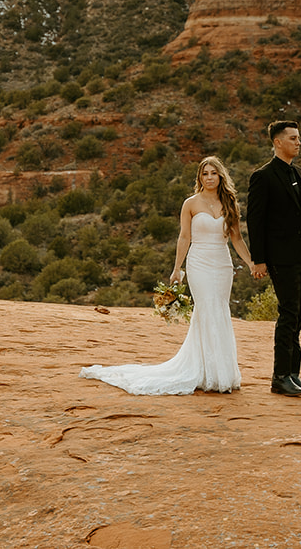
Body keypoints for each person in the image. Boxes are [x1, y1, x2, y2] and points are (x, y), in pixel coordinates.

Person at [80, 156, 257, 394]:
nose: (209, 177)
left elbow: (236, 238)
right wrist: (177, 269)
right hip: (199, 262)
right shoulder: (191, 204)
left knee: (220, 310)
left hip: (222, 264)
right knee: (206, 308)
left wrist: (251, 263)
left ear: (221, 176)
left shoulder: (230, 204)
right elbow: (184, 237)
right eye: (205, 174)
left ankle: (220, 373)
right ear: (199, 178)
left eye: (214, 173)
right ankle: (205, 372)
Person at [246, 120, 301, 397]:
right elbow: (254, 221)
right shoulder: (263, 176)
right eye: (292, 138)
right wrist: (259, 259)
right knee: (288, 312)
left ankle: (294, 375)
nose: (298, 142)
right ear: (277, 142)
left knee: (299, 313)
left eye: (298, 138)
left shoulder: (299, 172)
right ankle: (280, 377)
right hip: (280, 256)